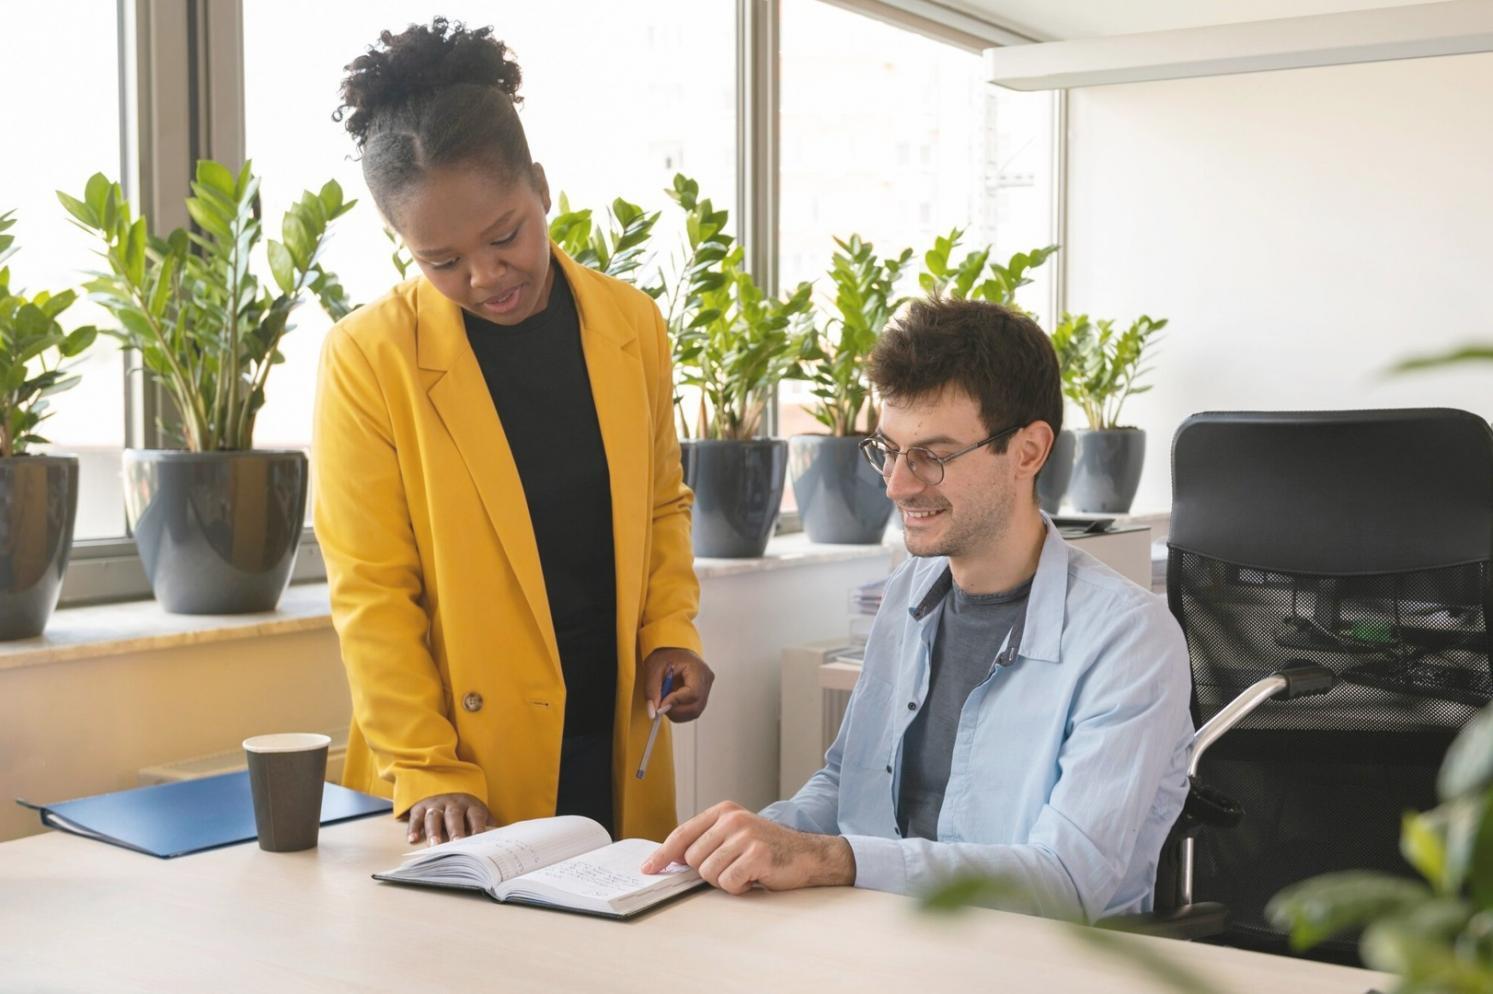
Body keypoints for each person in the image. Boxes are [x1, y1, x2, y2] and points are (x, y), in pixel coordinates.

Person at [642, 297, 1192, 922]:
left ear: (1029, 452)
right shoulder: (909, 591)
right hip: (879, 941)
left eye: (932, 455)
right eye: (889, 450)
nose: (897, 485)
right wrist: (749, 842)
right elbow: (847, 784)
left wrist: (833, 860)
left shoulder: (1129, 640)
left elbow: (1063, 884)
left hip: (1037, 965)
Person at [315, 18, 712, 847]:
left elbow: (660, 508)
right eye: (441, 261)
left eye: (504, 236)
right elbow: (371, 590)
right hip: (459, 773)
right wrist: (424, 764)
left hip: (612, 736)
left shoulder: (631, 323)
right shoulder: (368, 355)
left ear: (539, 185)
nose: (485, 277)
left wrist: (669, 634)